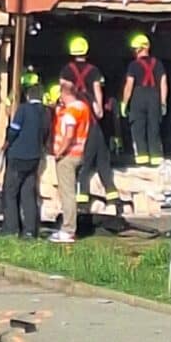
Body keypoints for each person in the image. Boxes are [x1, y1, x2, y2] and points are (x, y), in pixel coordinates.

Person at [62, 36, 121, 211]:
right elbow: (97, 94)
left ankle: (82, 201)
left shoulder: (67, 70)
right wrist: (99, 111)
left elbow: (63, 92)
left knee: (85, 164)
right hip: (93, 123)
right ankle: (113, 198)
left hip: (79, 121)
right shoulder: (94, 70)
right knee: (103, 162)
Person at [0, 82, 49, 238]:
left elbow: (14, 131)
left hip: (18, 156)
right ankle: (30, 230)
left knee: (10, 193)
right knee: (28, 194)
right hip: (34, 157)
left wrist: (6, 144)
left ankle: (11, 229)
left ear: (28, 96)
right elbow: (46, 134)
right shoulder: (46, 113)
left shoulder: (23, 109)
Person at [49, 76, 90, 244]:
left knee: (67, 194)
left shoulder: (70, 113)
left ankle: (68, 229)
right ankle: (68, 227)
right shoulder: (83, 108)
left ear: (63, 94)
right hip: (79, 153)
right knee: (70, 192)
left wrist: (59, 152)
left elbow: (69, 134)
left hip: (67, 156)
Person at [121, 33, 167, 167]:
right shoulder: (158, 64)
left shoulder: (133, 65)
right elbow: (163, 83)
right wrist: (163, 102)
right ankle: (156, 159)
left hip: (138, 97)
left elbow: (129, 85)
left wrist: (124, 102)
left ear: (139, 49)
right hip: (154, 96)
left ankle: (142, 160)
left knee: (138, 129)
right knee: (154, 128)